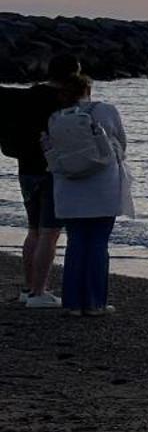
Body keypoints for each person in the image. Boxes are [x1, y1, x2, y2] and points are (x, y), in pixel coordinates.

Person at [45, 71, 135, 318]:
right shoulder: (106, 110)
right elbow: (121, 144)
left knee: (76, 243)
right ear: (88, 90)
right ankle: (94, 302)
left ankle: (72, 303)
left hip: (68, 188)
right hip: (102, 187)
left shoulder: (55, 118)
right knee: (97, 244)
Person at [1, 52, 83, 308]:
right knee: (50, 232)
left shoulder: (26, 96)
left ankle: (28, 288)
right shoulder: (63, 101)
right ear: (72, 74)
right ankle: (39, 291)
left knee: (34, 230)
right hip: (52, 171)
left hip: (26, 168)